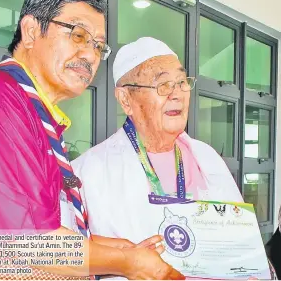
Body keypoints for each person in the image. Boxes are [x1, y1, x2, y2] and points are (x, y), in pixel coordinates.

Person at [0, 0, 184, 281]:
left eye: (99, 46)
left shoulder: (36, 115)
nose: (89, 55)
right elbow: (25, 244)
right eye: (78, 35)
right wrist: (127, 262)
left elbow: (37, 225)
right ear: (32, 31)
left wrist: (120, 249)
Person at [72, 37, 244, 245]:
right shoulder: (88, 170)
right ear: (126, 99)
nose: (177, 95)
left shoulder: (207, 158)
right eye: (163, 85)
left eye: (182, 82)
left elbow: (241, 239)